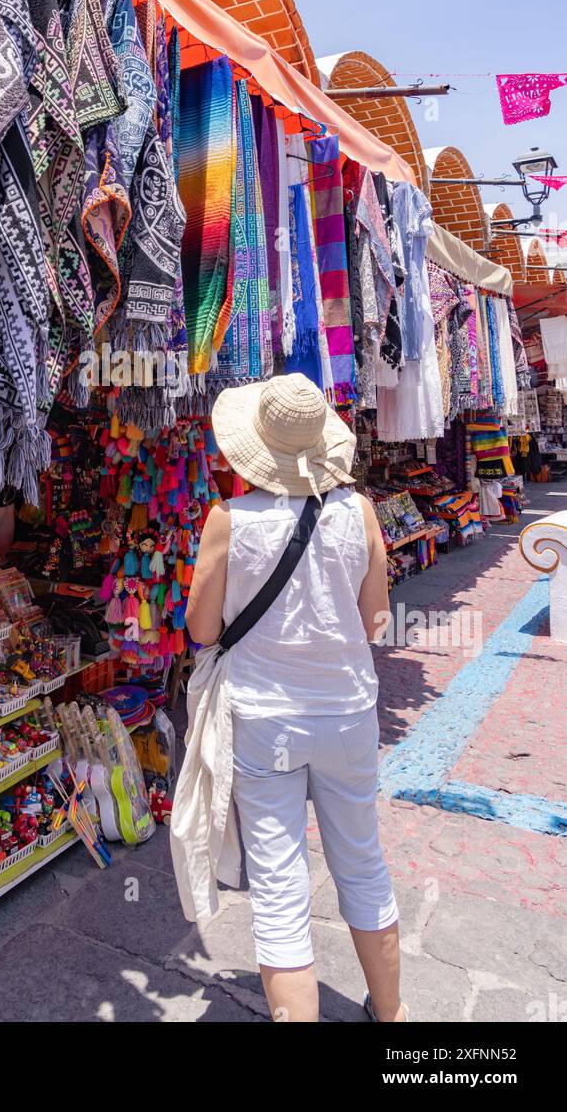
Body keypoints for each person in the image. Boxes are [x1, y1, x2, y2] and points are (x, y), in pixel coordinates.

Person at [174, 373, 406, 1023]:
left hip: (263, 718)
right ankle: (390, 1015)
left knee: (278, 882)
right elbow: (374, 621)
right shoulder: (358, 511)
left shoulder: (227, 520)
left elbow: (201, 630)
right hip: (347, 713)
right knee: (362, 862)